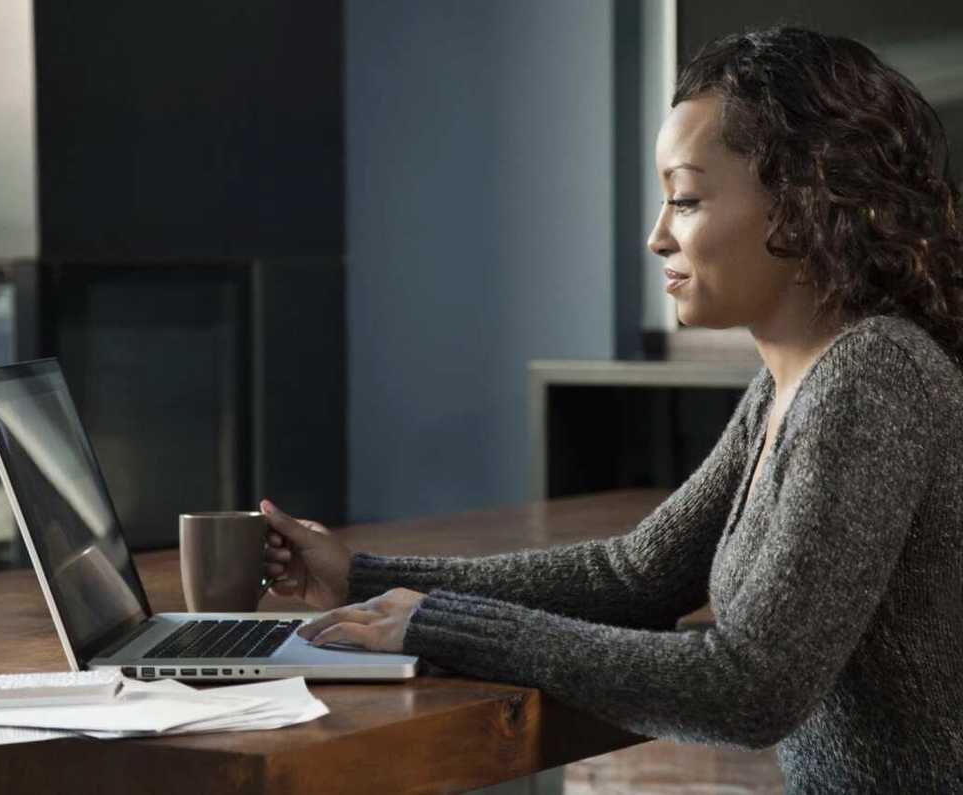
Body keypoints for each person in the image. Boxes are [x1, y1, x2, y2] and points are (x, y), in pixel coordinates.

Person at [259, 27, 963, 792]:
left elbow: (750, 685)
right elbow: (636, 575)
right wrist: (360, 577)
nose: (657, 235)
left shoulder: (873, 375)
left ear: (802, 202)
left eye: (685, 199)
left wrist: (437, 625)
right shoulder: (794, 379)